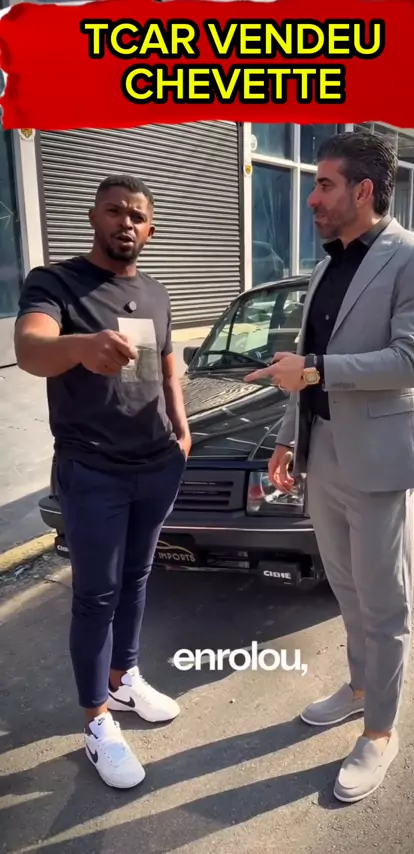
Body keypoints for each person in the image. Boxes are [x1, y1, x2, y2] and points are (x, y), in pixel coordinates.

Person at [245, 131, 414, 803]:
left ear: (364, 191)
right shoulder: (326, 265)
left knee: (385, 603)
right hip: (322, 454)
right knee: (348, 591)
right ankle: (362, 687)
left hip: (379, 462)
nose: (311, 198)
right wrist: (287, 440)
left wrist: (313, 369)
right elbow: (302, 366)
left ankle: (381, 732)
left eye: (324, 184)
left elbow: (409, 362)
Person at [15, 174, 190, 789]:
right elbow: (31, 348)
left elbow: (167, 367)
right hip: (92, 469)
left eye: (137, 216)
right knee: (95, 594)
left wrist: (182, 431)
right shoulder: (55, 282)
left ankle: (123, 679)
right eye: (115, 211)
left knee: (137, 578)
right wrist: (80, 346)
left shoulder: (156, 292)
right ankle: (95, 719)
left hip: (156, 463)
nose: (126, 223)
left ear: (150, 229)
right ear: (94, 216)